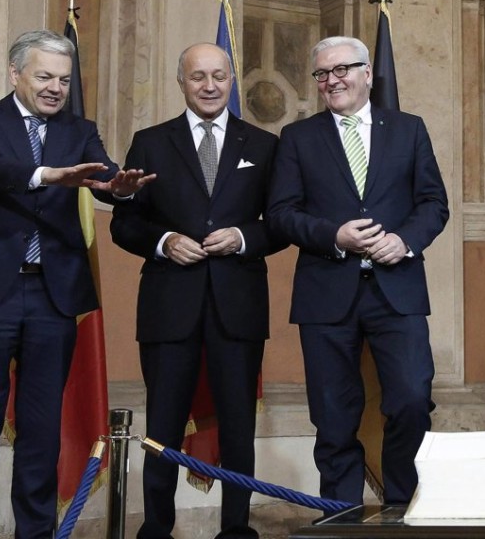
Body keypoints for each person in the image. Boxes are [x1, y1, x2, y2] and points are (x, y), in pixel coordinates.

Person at [0, 30, 153, 539]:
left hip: (53, 298)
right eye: (44, 77)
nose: (56, 87)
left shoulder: (80, 128)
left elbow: (103, 174)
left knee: (41, 432)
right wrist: (45, 175)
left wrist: (119, 189)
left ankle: (34, 534)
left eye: (63, 78)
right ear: (15, 75)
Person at [110, 43, 283, 539]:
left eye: (219, 76)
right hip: (169, 306)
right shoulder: (150, 141)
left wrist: (245, 237)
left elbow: (283, 222)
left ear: (232, 79)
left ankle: (235, 529)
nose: (209, 86)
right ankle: (157, 529)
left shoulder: (265, 145)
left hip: (238, 307)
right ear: (180, 82)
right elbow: (125, 224)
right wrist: (164, 242)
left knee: (237, 427)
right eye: (197, 77)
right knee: (161, 426)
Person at [266, 36, 448, 505]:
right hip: (327, 290)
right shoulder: (298, 138)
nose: (333, 80)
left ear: (368, 73)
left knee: (411, 399)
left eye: (343, 69)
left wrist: (403, 240)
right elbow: (281, 213)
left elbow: (434, 203)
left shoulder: (409, 129)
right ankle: (341, 515)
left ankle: (402, 505)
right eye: (323, 74)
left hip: (397, 290)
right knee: (332, 414)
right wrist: (335, 236)